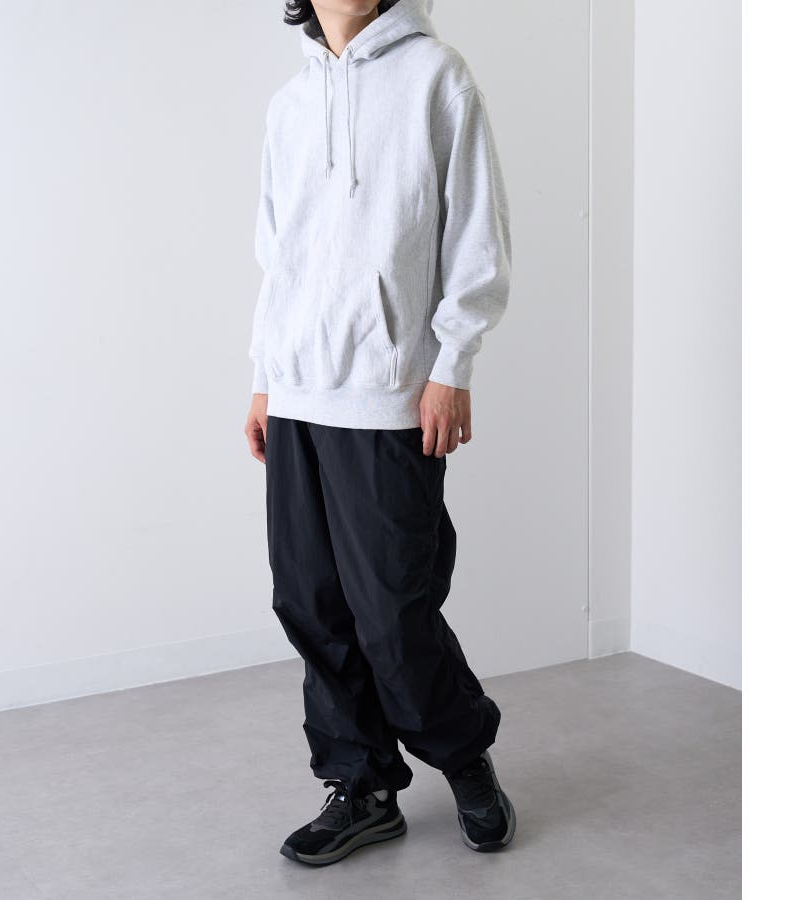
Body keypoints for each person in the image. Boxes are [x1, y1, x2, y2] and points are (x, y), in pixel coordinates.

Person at [244, 0, 514, 866]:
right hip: (297, 393)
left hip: (390, 392)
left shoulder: (438, 78)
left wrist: (452, 366)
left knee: (394, 610)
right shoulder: (290, 105)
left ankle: (463, 755)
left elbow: (476, 234)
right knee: (311, 604)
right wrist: (265, 379)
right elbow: (277, 256)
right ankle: (360, 785)